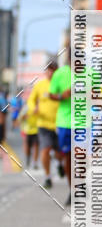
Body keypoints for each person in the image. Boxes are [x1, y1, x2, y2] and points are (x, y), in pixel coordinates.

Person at [28, 60, 59, 188]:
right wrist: (33, 108)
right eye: (48, 69)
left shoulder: (62, 85)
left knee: (60, 153)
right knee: (45, 149)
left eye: (53, 70)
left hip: (60, 124)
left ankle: (60, 164)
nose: (50, 72)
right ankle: (47, 176)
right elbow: (31, 101)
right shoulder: (39, 86)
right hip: (43, 124)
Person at [49, 52, 72, 206]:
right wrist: (62, 96)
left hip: (85, 123)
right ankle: (73, 189)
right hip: (65, 122)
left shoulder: (91, 73)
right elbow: (51, 95)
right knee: (69, 157)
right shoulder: (60, 73)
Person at [19, 91, 39, 169]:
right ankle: (28, 158)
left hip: (37, 129)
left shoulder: (39, 107)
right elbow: (20, 117)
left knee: (36, 145)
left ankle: (35, 162)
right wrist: (26, 116)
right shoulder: (27, 107)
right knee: (27, 146)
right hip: (27, 130)